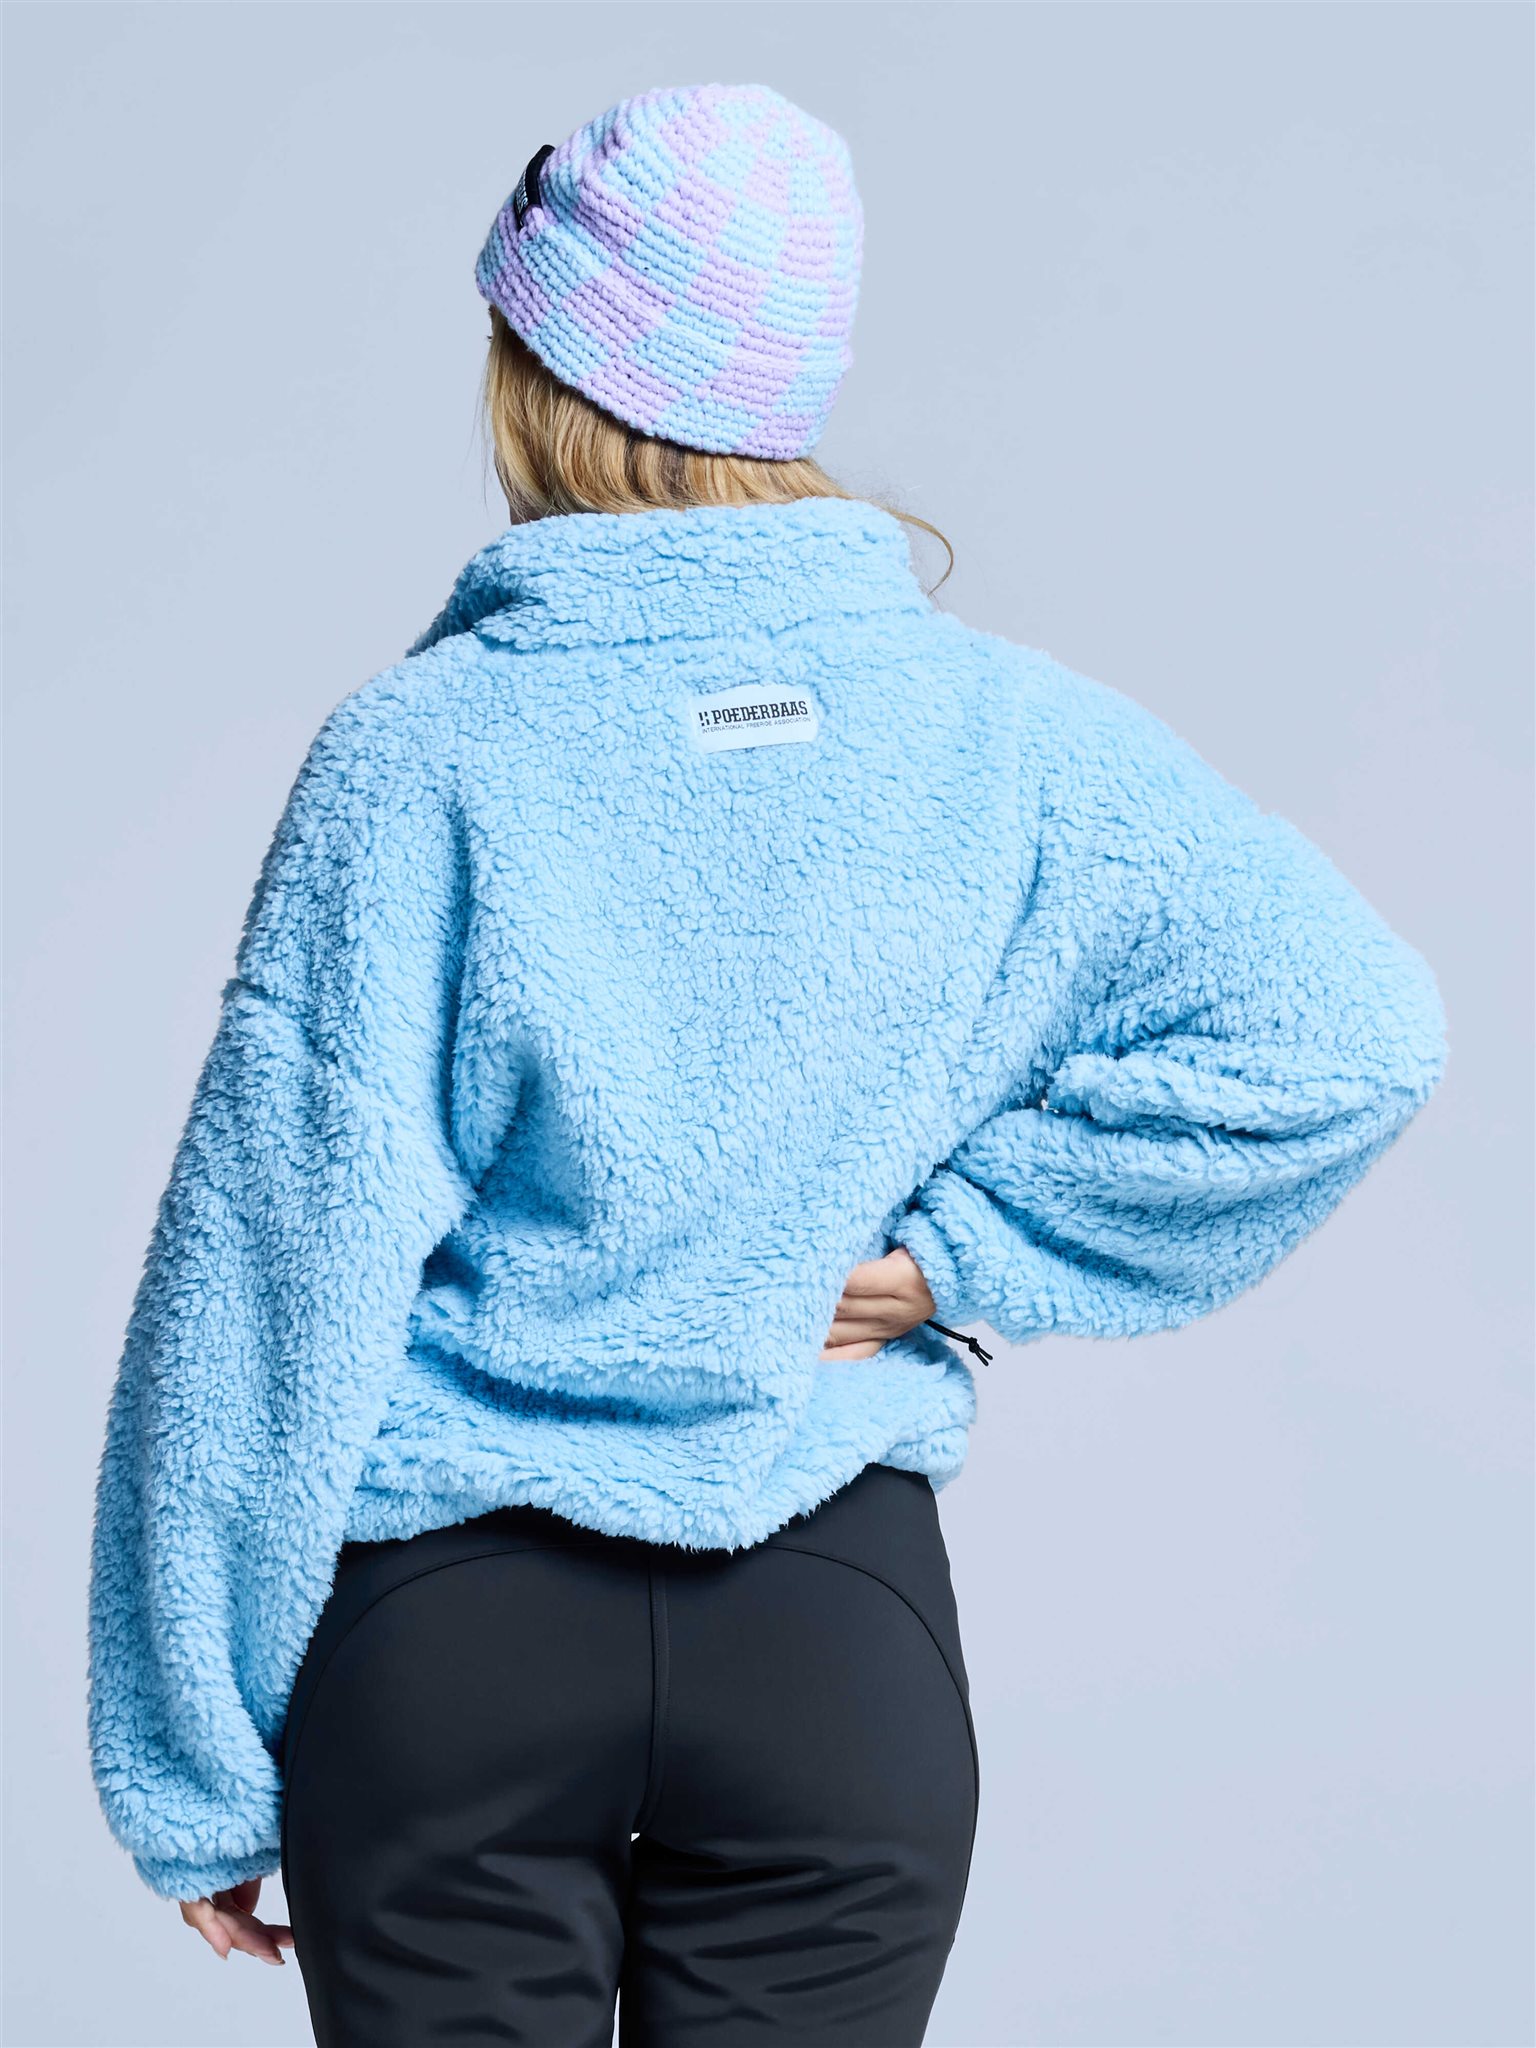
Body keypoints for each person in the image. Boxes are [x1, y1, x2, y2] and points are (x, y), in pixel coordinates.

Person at [86, 80, 1449, 2048]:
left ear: (540, 364)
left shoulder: (421, 753)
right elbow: (1354, 1027)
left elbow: (267, 1275)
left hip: (452, 1641)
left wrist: (192, 1757)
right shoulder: (1011, 740)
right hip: (831, 1640)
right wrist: (961, 1258)